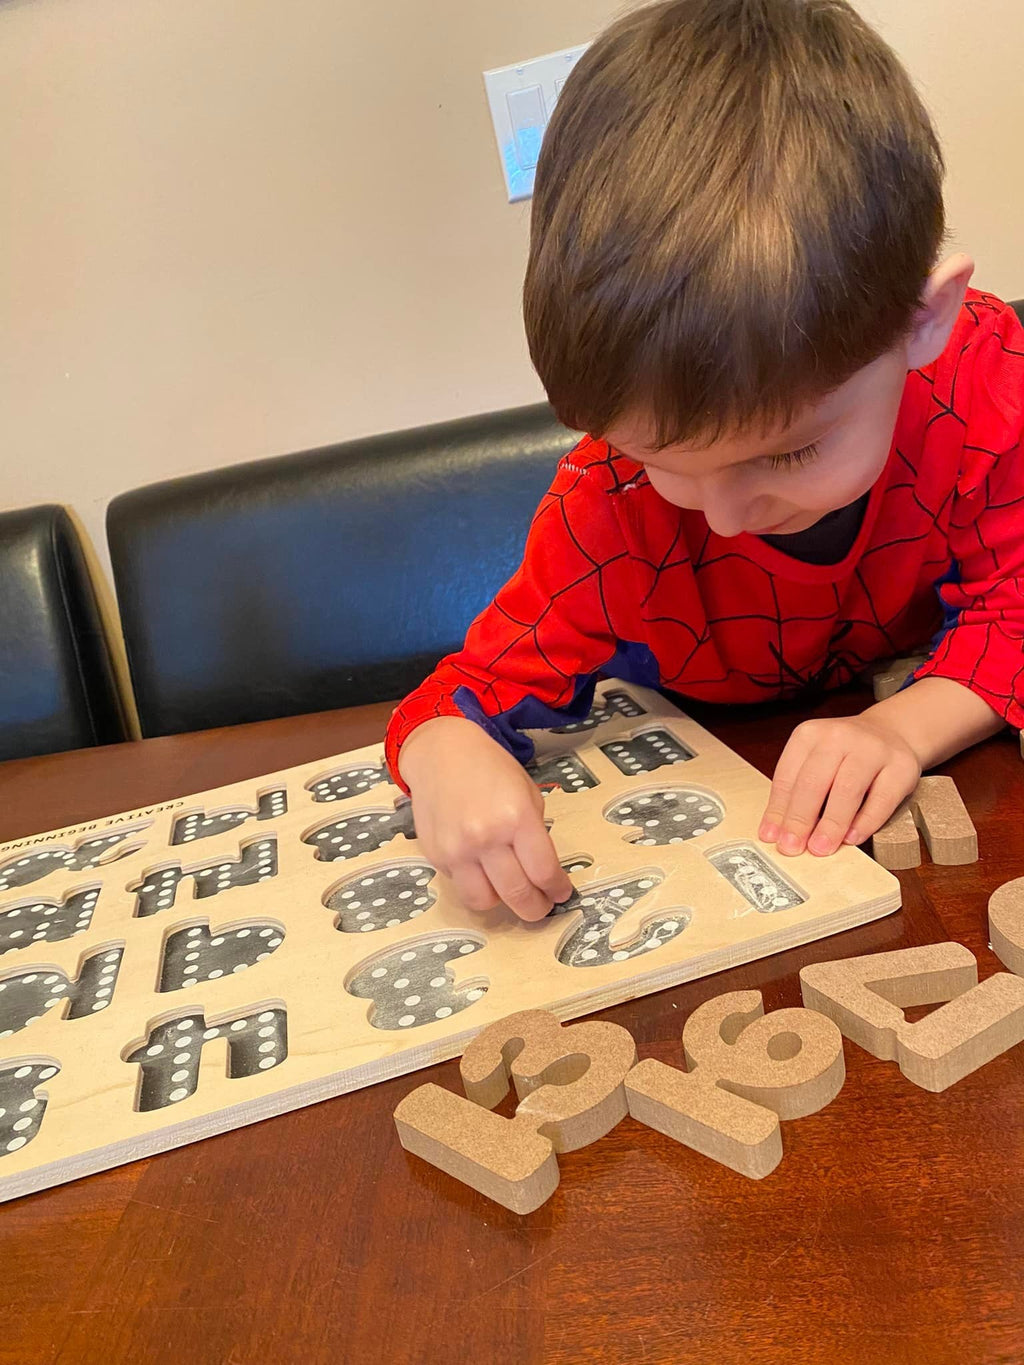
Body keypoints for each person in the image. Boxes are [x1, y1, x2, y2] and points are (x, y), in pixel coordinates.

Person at [386, 0, 1024, 922]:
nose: (721, 516)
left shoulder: (988, 387)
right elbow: (462, 696)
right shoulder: (604, 507)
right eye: (661, 460)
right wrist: (446, 752)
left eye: (788, 450)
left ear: (922, 323)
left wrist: (904, 727)